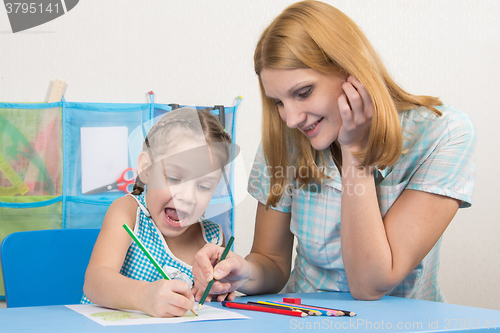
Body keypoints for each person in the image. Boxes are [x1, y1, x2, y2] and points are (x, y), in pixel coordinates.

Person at [193, 0, 476, 302]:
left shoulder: (443, 135)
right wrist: (244, 272)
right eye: (278, 101)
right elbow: (272, 261)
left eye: (303, 93)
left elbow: (371, 284)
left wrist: (356, 151)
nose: (291, 118)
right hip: (301, 319)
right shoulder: (286, 137)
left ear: (351, 72)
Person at [82, 108, 233, 317]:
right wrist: (143, 295)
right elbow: (95, 281)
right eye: (173, 178)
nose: (188, 197)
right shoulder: (127, 212)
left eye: (204, 186)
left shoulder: (214, 240)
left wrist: (221, 289)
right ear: (146, 169)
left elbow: (209, 302)